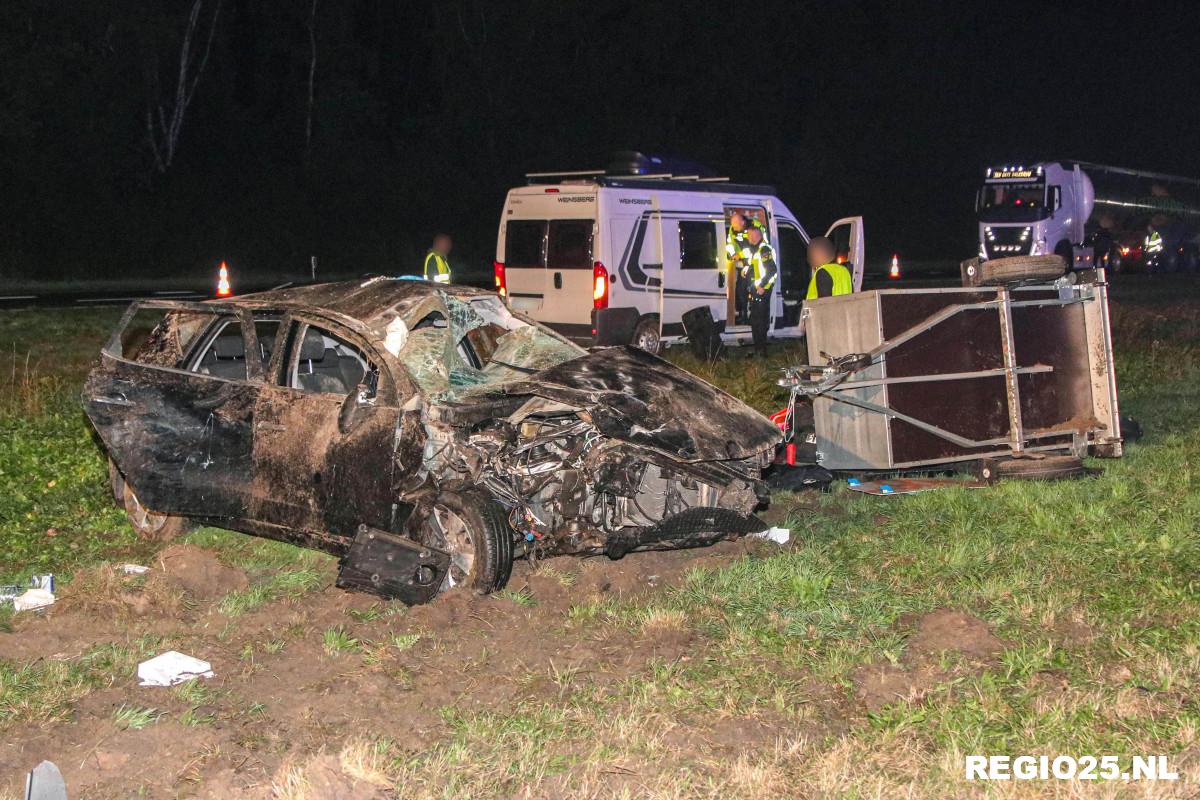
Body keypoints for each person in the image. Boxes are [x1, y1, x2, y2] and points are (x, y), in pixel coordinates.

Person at [744, 226, 777, 358]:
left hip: (762, 291)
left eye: (749, 236)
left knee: (760, 321)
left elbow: (772, 270)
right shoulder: (757, 250)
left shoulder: (764, 249)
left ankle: (761, 352)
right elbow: (756, 268)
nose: (748, 238)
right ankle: (758, 349)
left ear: (755, 235)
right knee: (755, 320)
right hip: (757, 291)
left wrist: (762, 285)